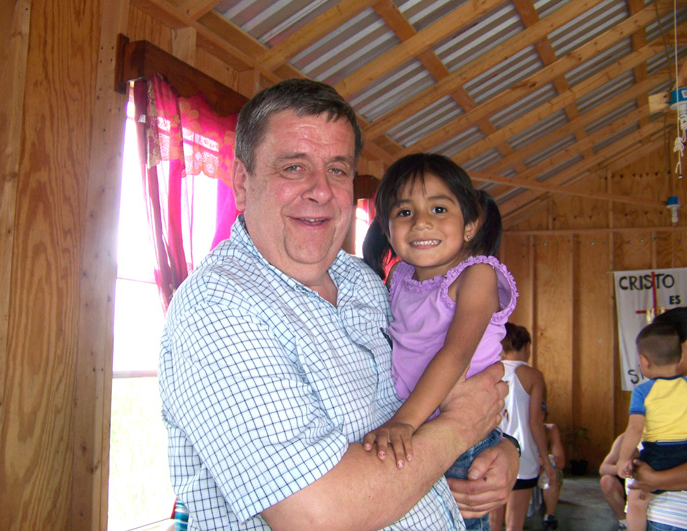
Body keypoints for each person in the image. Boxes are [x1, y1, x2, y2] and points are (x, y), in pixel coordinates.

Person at [158, 78, 519, 530]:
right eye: (293, 167)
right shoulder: (219, 309)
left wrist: (498, 446)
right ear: (242, 183)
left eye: (338, 170)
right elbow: (317, 515)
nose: (321, 191)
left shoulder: (364, 281)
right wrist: (461, 429)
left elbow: (433, 382)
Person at [360, 153, 518, 530]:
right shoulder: (398, 276)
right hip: (418, 428)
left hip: (456, 437)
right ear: (388, 227)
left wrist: (403, 422)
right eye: (404, 213)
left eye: (439, 208)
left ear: (469, 225)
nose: (422, 222)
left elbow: (457, 353)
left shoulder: (476, 274)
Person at [617, 319, 687, 531]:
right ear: (681, 356)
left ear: (643, 361)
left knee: (638, 498)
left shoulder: (642, 391)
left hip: (657, 453)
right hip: (684, 450)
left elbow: (635, 429)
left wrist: (623, 459)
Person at [490, 323, 556, 531]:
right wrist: (546, 460)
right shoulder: (533, 375)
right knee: (514, 524)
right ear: (527, 345)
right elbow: (535, 422)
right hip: (523, 456)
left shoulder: (490, 371)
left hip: (491, 453)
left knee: (492, 522)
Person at [538, 404, 565, 531]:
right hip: (523, 471)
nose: (540, 416)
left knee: (552, 473)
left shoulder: (550, 430)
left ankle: (549, 516)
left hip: (543, 470)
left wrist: (545, 462)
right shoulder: (518, 429)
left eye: (542, 412)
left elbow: (560, 462)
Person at [600, 433, 629, 530]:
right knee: (606, 481)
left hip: (650, 487)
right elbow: (603, 468)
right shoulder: (624, 438)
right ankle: (625, 523)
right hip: (627, 485)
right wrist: (621, 469)